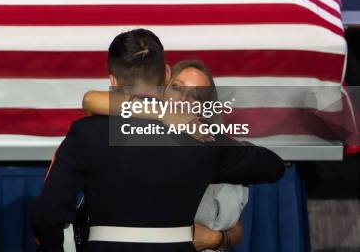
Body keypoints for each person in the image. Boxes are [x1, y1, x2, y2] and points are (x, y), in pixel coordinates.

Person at [31, 28, 284, 251]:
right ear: (166, 74)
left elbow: (47, 215)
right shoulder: (201, 139)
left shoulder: (85, 133)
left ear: (113, 81)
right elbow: (273, 166)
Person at [81, 59, 245, 251]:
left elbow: (235, 228)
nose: (183, 99)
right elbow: (91, 100)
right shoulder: (136, 135)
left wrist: (216, 239)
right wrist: (160, 114)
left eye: (196, 96)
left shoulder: (216, 149)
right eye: (176, 88)